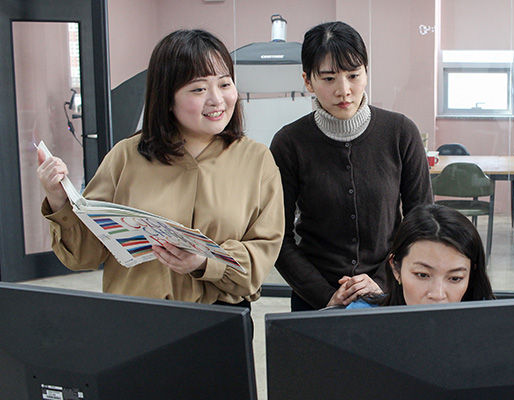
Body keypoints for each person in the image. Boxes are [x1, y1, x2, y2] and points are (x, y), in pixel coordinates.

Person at [36, 29, 284, 306]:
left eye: (224, 84)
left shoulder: (256, 160)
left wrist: (205, 262)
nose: (216, 99)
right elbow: (86, 255)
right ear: (167, 98)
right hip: (137, 317)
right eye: (199, 89)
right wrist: (58, 199)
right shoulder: (125, 157)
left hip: (220, 318)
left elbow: (262, 254)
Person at [270, 21, 433, 311]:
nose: (344, 90)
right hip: (315, 300)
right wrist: (325, 296)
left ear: (366, 73)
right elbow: (277, 238)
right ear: (308, 81)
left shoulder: (400, 132)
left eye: (354, 75)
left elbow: (421, 223)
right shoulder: (289, 143)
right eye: (329, 79)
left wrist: (383, 281)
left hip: (391, 293)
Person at [346, 204, 494, 308]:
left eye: (455, 278)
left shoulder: (491, 325)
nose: (438, 294)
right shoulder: (360, 320)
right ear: (396, 269)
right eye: (422, 275)